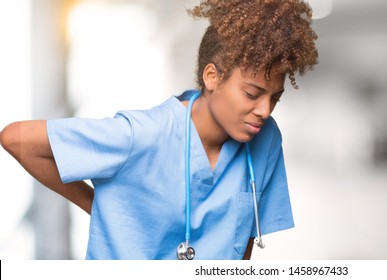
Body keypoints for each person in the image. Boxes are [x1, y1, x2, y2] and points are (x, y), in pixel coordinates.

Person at [0, 0, 318, 260]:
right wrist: (95, 204)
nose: (264, 110)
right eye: (252, 94)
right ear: (212, 77)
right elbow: (16, 139)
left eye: (275, 98)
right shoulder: (142, 135)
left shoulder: (266, 139)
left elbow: (243, 243)